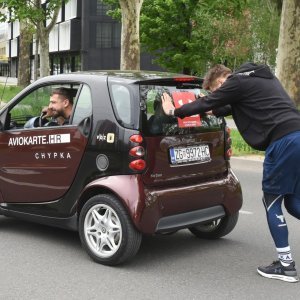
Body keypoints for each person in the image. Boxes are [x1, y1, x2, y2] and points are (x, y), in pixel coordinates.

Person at [161, 62, 300, 283]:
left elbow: (212, 101)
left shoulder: (236, 81)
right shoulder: (261, 78)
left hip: (282, 143)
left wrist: (173, 111)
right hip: (297, 135)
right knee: (294, 203)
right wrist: (209, 107)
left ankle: (285, 266)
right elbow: (223, 107)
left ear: (222, 80)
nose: (218, 94)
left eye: (216, 89)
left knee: (272, 203)